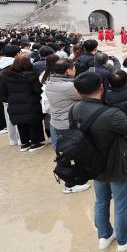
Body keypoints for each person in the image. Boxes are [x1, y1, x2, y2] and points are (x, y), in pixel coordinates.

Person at [71, 72, 127, 252]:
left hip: (93, 162)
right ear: (101, 87)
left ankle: (104, 236)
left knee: (101, 201)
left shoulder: (74, 109)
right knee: (122, 203)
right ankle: (124, 239)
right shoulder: (110, 113)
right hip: (116, 163)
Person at [44, 58, 88, 193]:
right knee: (72, 153)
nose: (75, 70)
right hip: (67, 124)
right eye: (73, 68)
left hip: (56, 122)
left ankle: (71, 180)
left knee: (64, 153)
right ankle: (71, 184)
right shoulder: (68, 87)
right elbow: (88, 94)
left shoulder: (51, 82)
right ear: (68, 71)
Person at [0, 55, 46, 152]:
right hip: (31, 103)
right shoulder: (31, 76)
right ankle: (35, 143)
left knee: (21, 123)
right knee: (34, 123)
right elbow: (38, 90)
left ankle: (24, 143)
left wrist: (12, 99)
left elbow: (2, 94)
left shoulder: (6, 76)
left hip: (14, 104)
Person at [0, 45, 22, 145]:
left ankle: (13, 140)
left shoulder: (0, 65)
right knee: (19, 118)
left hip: (4, 97)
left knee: (9, 119)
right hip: (15, 96)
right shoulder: (15, 66)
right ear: (16, 54)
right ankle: (21, 140)